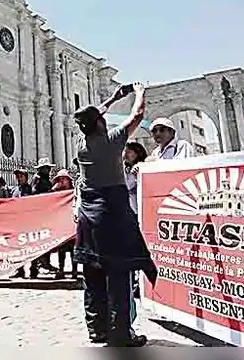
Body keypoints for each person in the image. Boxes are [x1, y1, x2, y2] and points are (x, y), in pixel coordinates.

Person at [73, 82, 156, 347]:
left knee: (93, 275)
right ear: (99, 124)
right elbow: (138, 115)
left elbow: (91, 117)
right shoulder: (111, 141)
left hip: (88, 217)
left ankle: (97, 330)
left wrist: (111, 99)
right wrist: (140, 93)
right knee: (118, 274)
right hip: (111, 214)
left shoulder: (81, 146)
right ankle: (120, 333)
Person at [52, 169, 78, 281]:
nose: (62, 181)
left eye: (64, 179)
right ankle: (61, 269)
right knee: (61, 250)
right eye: (60, 179)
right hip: (62, 224)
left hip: (72, 223)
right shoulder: (57, 192)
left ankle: (75, 271)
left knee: (73, 250)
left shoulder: (74, 192)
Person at [122, 142, 148, 216]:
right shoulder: (123, 169)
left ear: (137, 154)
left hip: (140, 208)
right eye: (125, 151)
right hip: (128, 209)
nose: (125, 154)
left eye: (129, 152)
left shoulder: (143, 167)